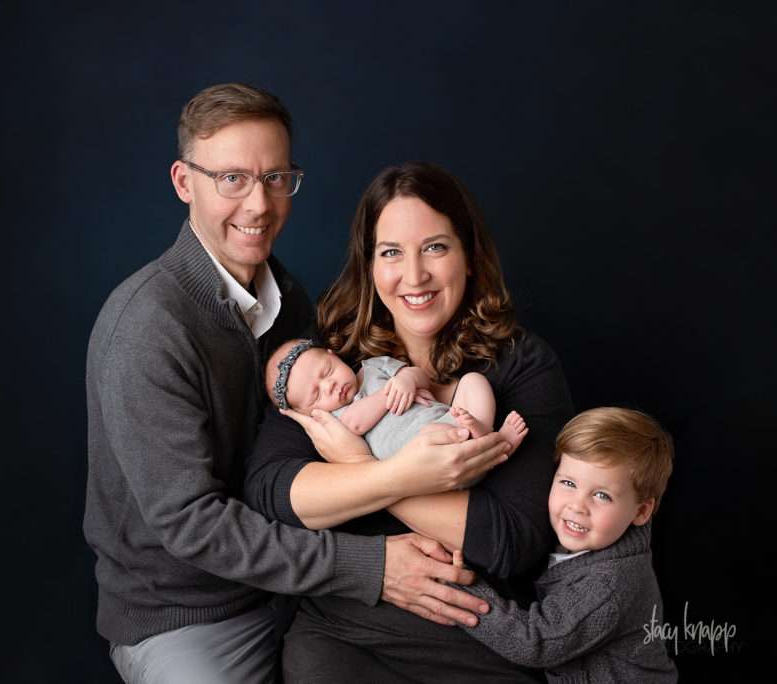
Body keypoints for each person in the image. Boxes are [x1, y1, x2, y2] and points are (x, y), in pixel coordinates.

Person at [84, 85, 506, 684]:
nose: (259, 203)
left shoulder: (289, 305)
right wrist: (372, 565)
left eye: (276, 177)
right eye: (232, 178)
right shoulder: (147, 327)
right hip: (191, 614)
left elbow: (313, 455)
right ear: (184, 183)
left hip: (300, 584)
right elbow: (193, 527)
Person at [245, 161, 576, 682]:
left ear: (469, 257)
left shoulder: (522, 364)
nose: (414, 275)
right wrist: (382, 550)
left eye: (436, 247)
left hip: (473, 634)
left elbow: (509, 539)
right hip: (344, 632)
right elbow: (273, 491)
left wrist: (356, 466)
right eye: (391, 253)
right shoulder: (333, 361)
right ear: (369, 265)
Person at [453, 407, 678, 682]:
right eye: (569, 483)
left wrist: (461, 589)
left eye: (602, 495)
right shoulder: (594, 539)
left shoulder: (610, 585)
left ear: (641, 512)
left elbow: (534, 643)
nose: (577, 506)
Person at [264, 338, 529, 460]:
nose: (331, 386)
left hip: (448, 419)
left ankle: (487, 434)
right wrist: (387, 393)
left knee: (474, 382)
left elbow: (420, 376)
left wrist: (409, 380)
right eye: (317, 394)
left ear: (334, 355)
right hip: (422, 455)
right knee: (434, 435)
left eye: (327, 371)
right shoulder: (333, 418)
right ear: (311, 413)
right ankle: (490, 446)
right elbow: (354, 425)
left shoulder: (373, 366)